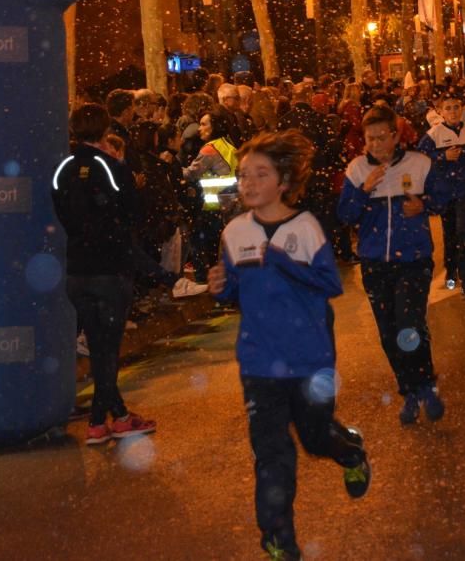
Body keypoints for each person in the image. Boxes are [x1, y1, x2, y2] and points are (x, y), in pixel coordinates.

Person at [208, 131, 370, 560]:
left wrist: (282, 261)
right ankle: (279, 540)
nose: (250, 183)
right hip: (259, 361)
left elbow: (329, 284)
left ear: (283, 181)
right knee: (271, 453)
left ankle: (349, 449)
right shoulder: (234, 231)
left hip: (309, 357)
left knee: (316, 440)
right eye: (244, 175)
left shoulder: (306, 227)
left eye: (261, 174)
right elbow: (235, 289)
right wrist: (221, 287)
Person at [51, 104, 157, 445]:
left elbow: (61, 210)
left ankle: (105, 419)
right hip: (110, 267)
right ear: (104, 129)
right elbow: (132, 211)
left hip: (77, 269)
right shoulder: (110, 167)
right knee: (107, 350)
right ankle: (110, 419)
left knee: (99, 347)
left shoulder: (64, 168)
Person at [337, 106, 447, 425]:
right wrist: (364, 190)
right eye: (369, 139)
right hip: (375, 265)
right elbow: (345, 215)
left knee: (409, 326)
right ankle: (409, 391)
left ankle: (426, 387)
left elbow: (441, 199)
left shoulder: (419, 164)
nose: (375, 144)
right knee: (389, 333)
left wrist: (423, 205)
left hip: (413, 261)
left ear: (395, 136)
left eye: (381, 137)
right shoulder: (357, 170)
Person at [418, 94, 465, 301]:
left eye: (456, 107)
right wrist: (442, 157)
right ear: (441, 112)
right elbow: (420, 160)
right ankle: (451, 271)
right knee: (450, 234)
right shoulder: (433, 135)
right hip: (444, 193)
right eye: (448, 108)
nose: (453, 111)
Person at [184, 111, 239, 281]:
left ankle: (205, 280)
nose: (199, 129)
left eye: (204, 124)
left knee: (200, 241)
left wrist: (173, 168)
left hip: (212, 204)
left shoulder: (210, 148)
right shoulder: (229, 145)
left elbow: (192, 173)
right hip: (230, 202)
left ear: (215, 126)